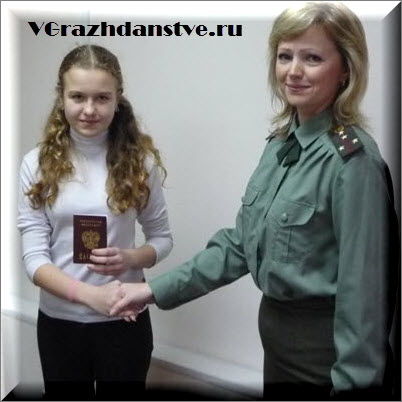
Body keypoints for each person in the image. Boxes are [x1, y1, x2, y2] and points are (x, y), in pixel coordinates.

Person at [110, 2, 399, 400]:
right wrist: (154, 290)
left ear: (346, 69)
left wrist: (354, 387)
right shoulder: (280, 145)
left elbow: (364, 298)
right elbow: (240, 245)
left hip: (323, 366)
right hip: (278, 355)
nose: (293, 70)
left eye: (312, 58)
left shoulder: (352, 162)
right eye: (285, 56)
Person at [17, 45, 173, 400]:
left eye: (102, 98)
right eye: (78, 97)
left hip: (124, 319)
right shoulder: (35, 164)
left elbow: (162, 238)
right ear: (62, 98)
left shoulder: (140, 163)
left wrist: (131, 258)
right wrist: (91, 297)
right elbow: (34, 259)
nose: (89, 109)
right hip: (59, 324)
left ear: (118, 100)